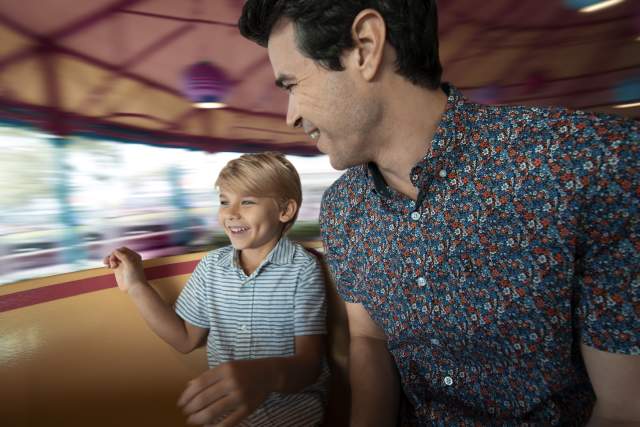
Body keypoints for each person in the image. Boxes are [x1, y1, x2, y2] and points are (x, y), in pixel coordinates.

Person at [238, 1, 640, 425]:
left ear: (365, 46)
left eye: (291, 84)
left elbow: (625, 408)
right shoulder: (341, 210)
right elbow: (369, 338)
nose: (290, 116)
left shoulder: (587, 163)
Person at [104, 152, 328, 426]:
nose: (231, 213)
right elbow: (185, 338)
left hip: (292, 415)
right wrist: (137, 285)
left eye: (247, 201)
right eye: (224, 201)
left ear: (285, 210)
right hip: (228, 416)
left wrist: (264, 375)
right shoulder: (211, 267)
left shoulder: (302, 269)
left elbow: (309, 365)